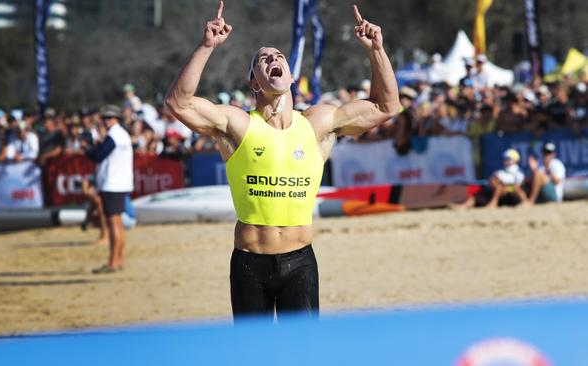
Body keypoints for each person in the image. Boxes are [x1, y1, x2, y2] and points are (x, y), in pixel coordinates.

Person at [165, 2, 399, 321]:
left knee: (303, 354)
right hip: (249, 263)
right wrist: (207, 47)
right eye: (264, 60)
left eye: (279, 58)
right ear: (254, 82)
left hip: (300, 263)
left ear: (290, 75)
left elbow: (386, 106)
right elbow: (179, 103)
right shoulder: (239, 125)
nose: (274, 59)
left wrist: (377, 51)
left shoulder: (317, 123)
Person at [83, 105, 134, 274]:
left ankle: (113, 261)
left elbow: (98, 157)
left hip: (112, 183)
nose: (105, 121)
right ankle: (119, 260)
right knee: (118, 223)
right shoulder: (123, 134)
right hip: (121, 182)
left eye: (107, 118)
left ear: (114, 119)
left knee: (113, 223)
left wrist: (86, 148)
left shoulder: (113, 135)